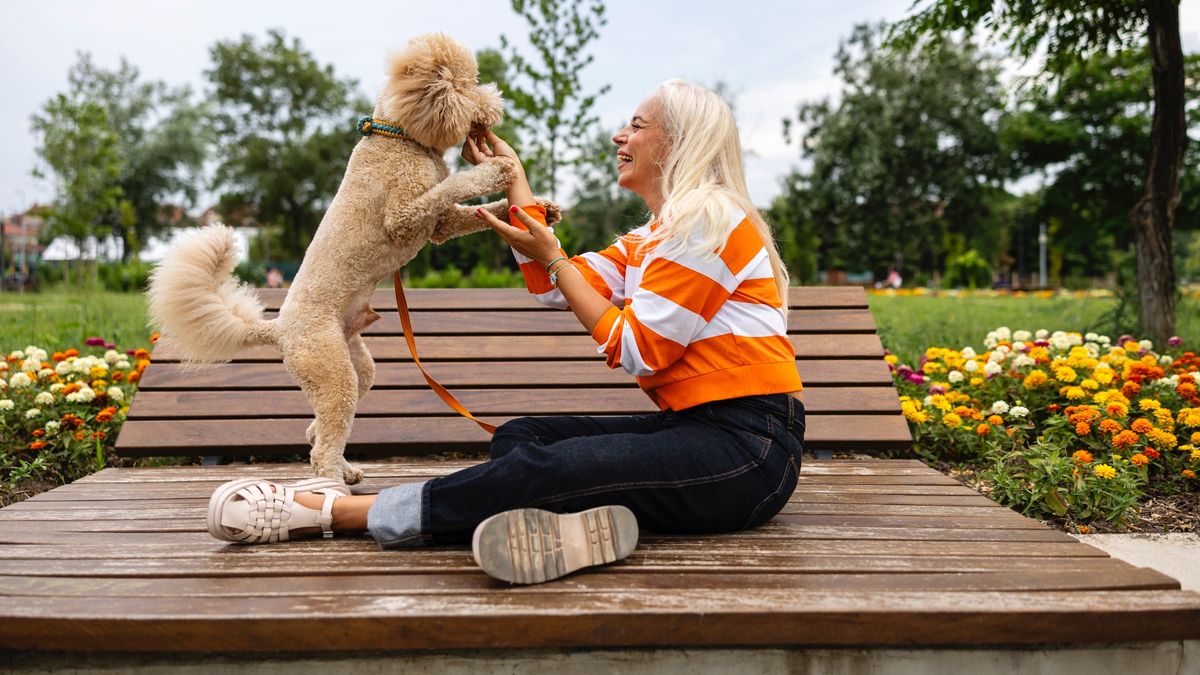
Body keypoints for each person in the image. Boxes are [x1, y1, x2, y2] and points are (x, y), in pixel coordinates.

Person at [206, 80, 806, 585]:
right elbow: (555, 284)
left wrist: (556, 259)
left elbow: (639, 349)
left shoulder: (708, 219)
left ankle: (339, 513)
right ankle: (574, 527)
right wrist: (514, 178)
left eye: (637, 126)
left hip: (747, 453)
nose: (619, 137)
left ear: (679, 141)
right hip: (699, 430)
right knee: (524, 437)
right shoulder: (658, 233)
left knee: (542, 471)